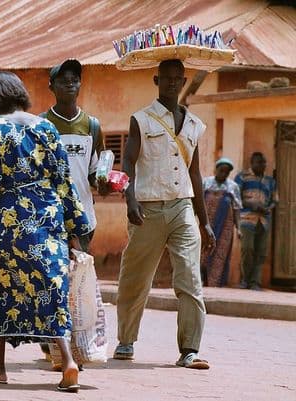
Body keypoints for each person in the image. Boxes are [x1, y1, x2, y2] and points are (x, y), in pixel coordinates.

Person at [0, 71, 89, 392]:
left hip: (11, 220)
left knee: (3, 288)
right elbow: (64, 181)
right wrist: (77, 226)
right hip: (48, 215)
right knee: (52, 288)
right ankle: (68, 362)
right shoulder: (46, 127)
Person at [113, 59, 216, 370]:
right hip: (148, 207)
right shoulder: (141, 120)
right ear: (156, 80)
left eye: (178, 78)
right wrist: (129, 201)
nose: (173, 83)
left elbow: (195, 174)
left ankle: (190, 349)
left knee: (189, 277)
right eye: (167, 78)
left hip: (182, 206)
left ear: (184, 80)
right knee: (135, 278)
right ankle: (126, 340)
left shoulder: (195, 125)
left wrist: (205, 221)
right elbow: (128, 163)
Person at [39, 58, 110, 368]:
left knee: (73, 281)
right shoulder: (42, 124)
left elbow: (96, 171)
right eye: (63, 78)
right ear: (51, 86)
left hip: (82, 217)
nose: (70, 82)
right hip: (47, 216)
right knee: (51, 280)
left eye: (75, 78)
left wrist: (106, 182)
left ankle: (70, 346)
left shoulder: (91, 125)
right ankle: (55, 342)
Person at [235, 152, 277, 291]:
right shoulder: (242, 177)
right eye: (259, 162)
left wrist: (268, 208)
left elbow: (274, 200)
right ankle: (245, 280)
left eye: (264, 162)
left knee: (260, 253)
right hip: (246, 218)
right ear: (252, 163)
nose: (262, 165)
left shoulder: (270, 181)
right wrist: (251, 205)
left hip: (264, 220)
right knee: (247, 249)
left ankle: (255, 282)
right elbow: (236, 197)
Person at [201, 157, 243, 287]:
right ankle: (201, 279)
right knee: (203, 251)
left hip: (225, 226)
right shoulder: (206, 183)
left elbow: (236, 208)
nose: (223, 174)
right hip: (207, 222)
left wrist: (239, 228)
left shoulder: (233, 186)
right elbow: (198, 202)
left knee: (221, 252)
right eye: (221, 171)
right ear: (216, 170)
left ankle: (216, 282)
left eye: (226, 172)